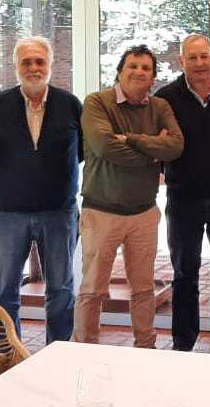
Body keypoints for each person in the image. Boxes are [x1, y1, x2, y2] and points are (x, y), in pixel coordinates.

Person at [0, 36, 83, 344]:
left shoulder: (70, 105)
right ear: (15, 66)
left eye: (40, 61)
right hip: (8, 213)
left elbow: (82, 151)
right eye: (26, 62)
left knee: (61, 289)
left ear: (49, 65)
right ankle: (8, 351)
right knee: (4, 290)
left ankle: (58, 351)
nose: (34, 68)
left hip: (58, 212)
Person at [74, 45, 184, 349]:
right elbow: (104, 147)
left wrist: (132, 140)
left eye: (146, 68)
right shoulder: (97, 102)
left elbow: (176, 146)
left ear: (153, 77)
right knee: (92, 290)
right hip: (101, 212)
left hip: (143, 213)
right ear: (120, 72)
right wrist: (153, 153)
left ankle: (145, 348)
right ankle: (84, 349)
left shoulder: (160, 107)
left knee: (144, 289)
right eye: (132, 66)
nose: (139, 72)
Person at [156, 34, 210, 355]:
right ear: (182, 61)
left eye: (204, 56)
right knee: (184, 272)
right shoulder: (166, 98)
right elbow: (156, 144)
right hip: (183, 199)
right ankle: (184, 341)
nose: (199, 63)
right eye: (192, 58)